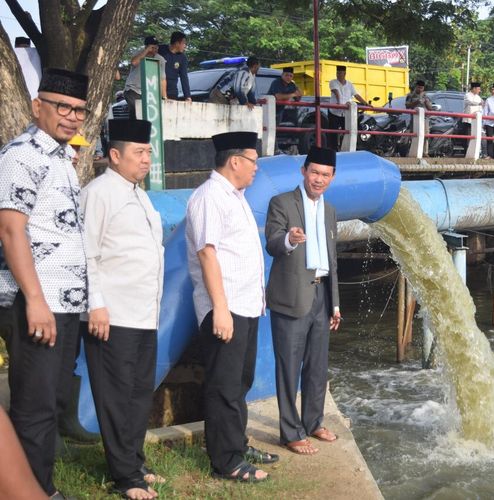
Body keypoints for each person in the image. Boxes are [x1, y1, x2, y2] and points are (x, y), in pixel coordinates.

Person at [0, 68, 89, 499]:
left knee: (49, 403)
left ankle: (41, 488)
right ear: (38, 107)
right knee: (33, 408)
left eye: (79, 110)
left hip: (65, 302)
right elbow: (11, 231)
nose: (71, 117)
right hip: (35, 301)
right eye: (62, 107)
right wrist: (35, 300)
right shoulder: (21, 155)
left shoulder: (62, 157)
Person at [81, 119, 164, 500]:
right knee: (115, 395)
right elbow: (87, 254)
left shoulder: (138, 193)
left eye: (148, 152)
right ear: (115, 156)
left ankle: (134, 460)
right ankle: (124, 476)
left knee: (137, 393)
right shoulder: (99, 193)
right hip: (112, 313)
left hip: (144, 313)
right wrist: (95, 305)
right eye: (139, 152)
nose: (146, 159)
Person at [185, 132, 274, 484]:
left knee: (240, 381)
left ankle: (236, 444)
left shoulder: (235, 196)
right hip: (227, 307)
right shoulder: (210, 197)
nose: (256, 168)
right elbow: (207, 253)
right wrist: (219, 309)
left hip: (246, 306)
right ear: (235, 161)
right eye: (253, 160)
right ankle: (226, 461)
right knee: (224, 385)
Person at [265, 146, 342, 456]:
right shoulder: (282, 203)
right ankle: (290, 432)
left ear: (332, 177)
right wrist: (289, 239)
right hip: (291, 296)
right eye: (314, 173)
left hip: (322, 295)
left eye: (325, 175)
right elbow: (272, 242)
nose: (319, 179)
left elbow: (332, 261)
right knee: (289, 366)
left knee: (317, 366)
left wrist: (335, 303)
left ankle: (313, 422)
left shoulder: (330, 211)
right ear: (303, 171)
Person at [124, 36, 167, 118]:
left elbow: (163, 79)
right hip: (133, 89)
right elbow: (134, 62)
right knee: (137, 111)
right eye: (152, 47)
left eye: (156, 47)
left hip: (149, 92)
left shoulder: (160, 59)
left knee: (146, 114)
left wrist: (164, 96)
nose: (155, 49)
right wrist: (147, 51)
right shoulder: (139, 53)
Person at [327, 65, 367, 151]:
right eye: (337, 73)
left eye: (340, 73)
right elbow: (336, 92)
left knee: (348, 131)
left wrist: (365, 103)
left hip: (345, 113)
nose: (338, 75)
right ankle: (333, 151)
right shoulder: (333, 82)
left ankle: (344, 149)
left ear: (344, 73)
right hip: (334, 112)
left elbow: (356, 95)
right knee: (333, 132)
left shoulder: (350, 84)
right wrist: (339, 103)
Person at [158, 31, 191, 101]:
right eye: (184, 43)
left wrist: (187, 96)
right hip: (157, 90)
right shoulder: (160, 50)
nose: (185, 46)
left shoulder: (182, 58)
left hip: (172, 92)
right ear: (176, 43)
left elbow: (184, 77)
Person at [405, 80, 433, 155]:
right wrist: (417, 101)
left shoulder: (426, 96)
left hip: (425, 118)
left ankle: (425, 153)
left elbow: (430, 108)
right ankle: (412, 152)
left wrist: (426, 102)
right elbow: (407, 106)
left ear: (423, 88)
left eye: (421, 88)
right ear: (416, 87)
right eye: (418, 87)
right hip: (414, 119)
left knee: (426, 135)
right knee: (414, 135)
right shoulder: (410, 95)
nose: (420, 89)